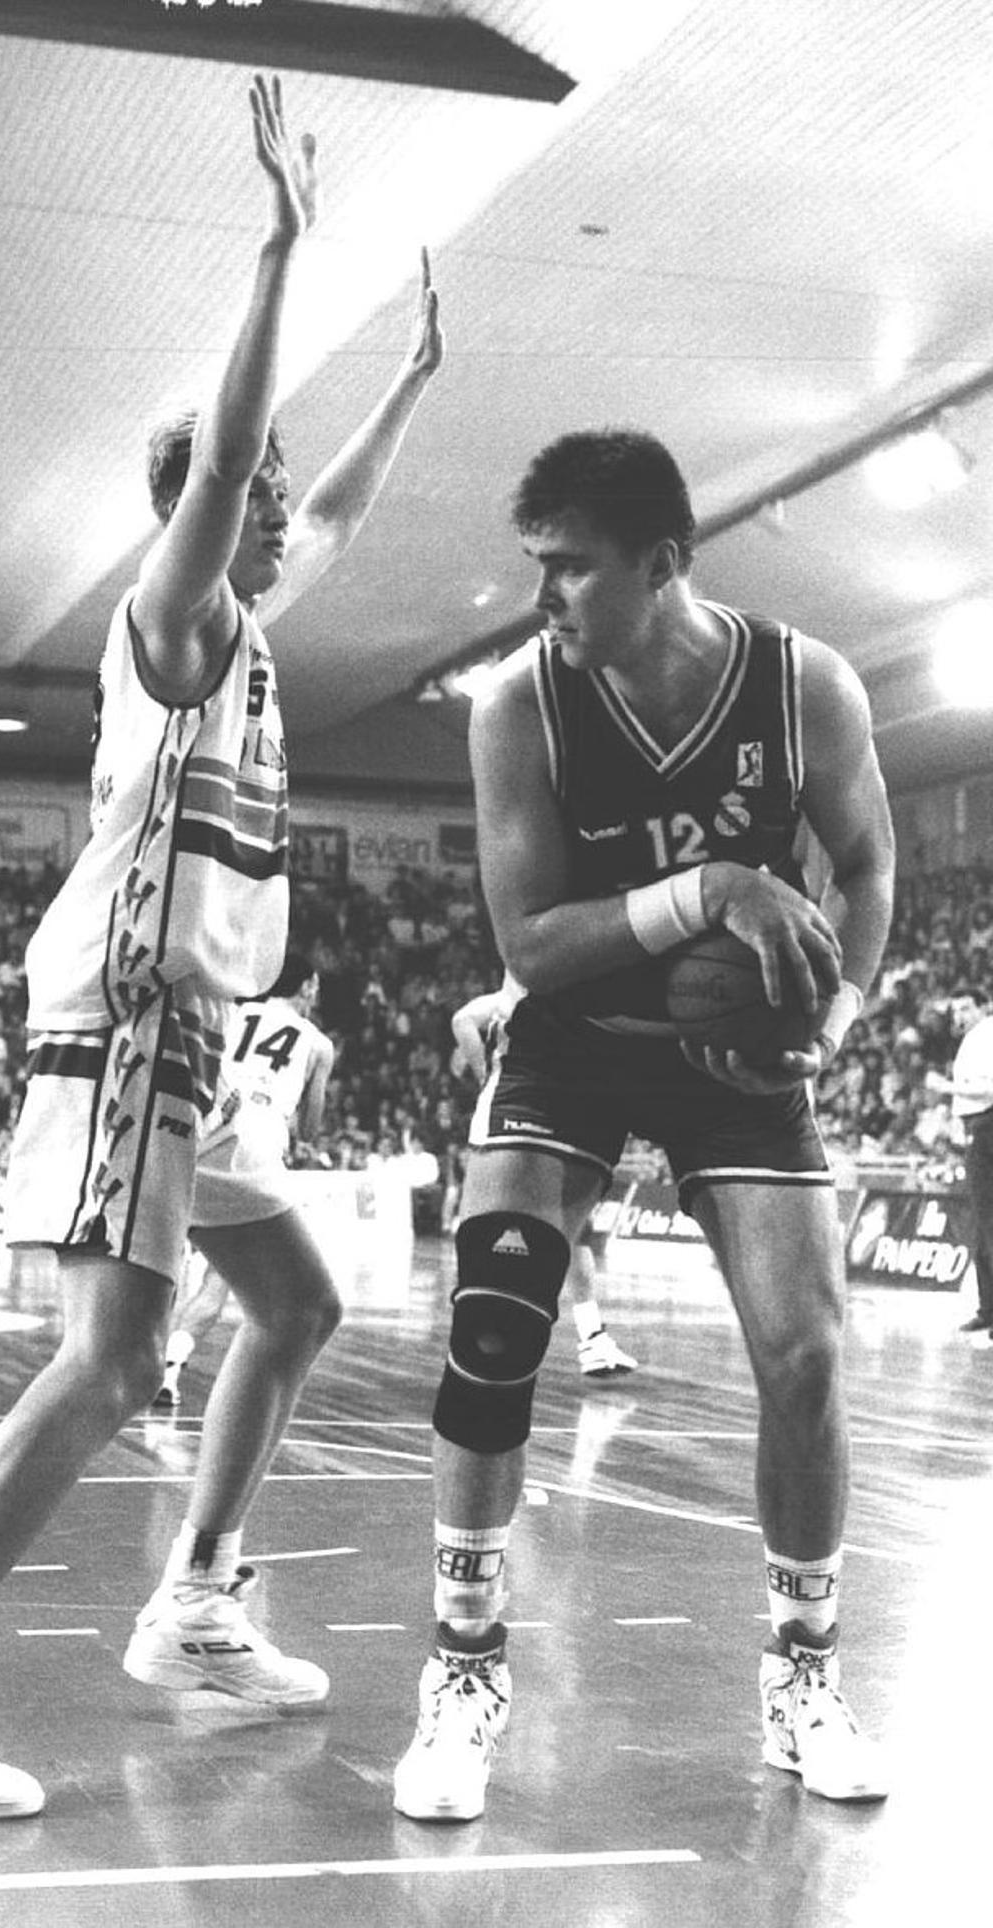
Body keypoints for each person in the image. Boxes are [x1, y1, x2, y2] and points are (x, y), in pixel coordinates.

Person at [0, 73, 444, 1821]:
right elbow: (241, 469)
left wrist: (409, 382)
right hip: (128, 1018)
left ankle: (197, 1600)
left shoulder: (248, 628)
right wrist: (281, 251)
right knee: (110, 1362)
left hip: (201, 1039)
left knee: (297, 1299)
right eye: (255, 493)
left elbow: (328, 518)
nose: (281, 512)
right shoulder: (170, 616)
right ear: (205, 507)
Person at [392, 428, 896, 1823]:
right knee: (496, 1329)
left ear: (664, 562)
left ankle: (804, 1675)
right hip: (572, 1037)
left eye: (570, 567)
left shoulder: (805, 685)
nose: (542, 595)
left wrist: (833, 1019)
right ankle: (463, 1669)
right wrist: (714, 888)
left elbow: (866, 862)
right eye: (537, 565)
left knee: (807, 1356)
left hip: (734, 1056)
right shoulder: (520, 704)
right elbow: (532, 945)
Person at [148, 949, 335, 1410]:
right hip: (252, 1148)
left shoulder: (235, 1012)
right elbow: (309, 1130)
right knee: (228, 1284)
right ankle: (169, 1368)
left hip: (198, 1128)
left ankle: (146, 1359)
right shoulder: (317, 1044)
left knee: (161, 1268)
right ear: (308, 986)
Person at [451, 973, 638, 1378]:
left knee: (567, 1240)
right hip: (523, 1109)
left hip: (555, 1108)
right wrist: (484, 1074)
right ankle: (577, 1338)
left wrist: (481, 1071)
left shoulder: (516, 999)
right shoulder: (516, 998)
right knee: (519, 1254)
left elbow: (462, 1020)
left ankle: (589, 1337)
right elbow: (462, 1019)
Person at [945, 998, 993, 1342]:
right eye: (955, 1010)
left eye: (965, 1008)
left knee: (988, 1221)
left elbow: (990, 1089)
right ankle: (987, 1309)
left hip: (988, 1125)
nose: (958, 1016)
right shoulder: (972, 1038)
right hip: (976, 1127)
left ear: (982, 1007)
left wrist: (944, 1087)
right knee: (982, 1221)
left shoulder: (988, 1035)